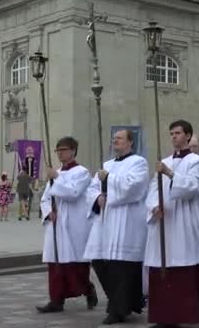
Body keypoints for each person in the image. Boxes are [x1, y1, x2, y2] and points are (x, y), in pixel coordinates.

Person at [145, 120, 199, 327]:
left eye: (177, 133)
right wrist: (154, 206)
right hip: (164, 223)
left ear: (187, 136)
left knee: (182, 270)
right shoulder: (164, 160)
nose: (173, 136)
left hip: (185, 223)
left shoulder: (197, 161)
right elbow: (152, 189)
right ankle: (163, 317)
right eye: (171, 133)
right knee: (162, 270)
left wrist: (170, 173)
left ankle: (184, 314)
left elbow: (192, 187)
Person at [84, 129, 149, 325]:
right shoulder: (107, 165)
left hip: (126, 220)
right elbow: (92, 188)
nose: (115, 141)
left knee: (121, 267)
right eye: (114, 139)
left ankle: (117, 310)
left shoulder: (139, 162)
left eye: (119, 139)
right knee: (99, 261)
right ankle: (122, 303)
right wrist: (98, 197)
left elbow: (134, 187)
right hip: (105, 221)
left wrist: (109, 179)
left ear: (130, 143)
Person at [36, 137, 97, 313]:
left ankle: (88, 289)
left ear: (73, 150)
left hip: (74, 224)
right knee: (55, 264)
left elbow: (73, 193)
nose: (60, 153)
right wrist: (49, 212)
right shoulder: (55, 173)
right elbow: (46, 197)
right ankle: (56, 300)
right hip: (56, 224)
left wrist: (57, 178)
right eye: (58, 150)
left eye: (63, 149)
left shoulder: (82, 172)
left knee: (75, 265)